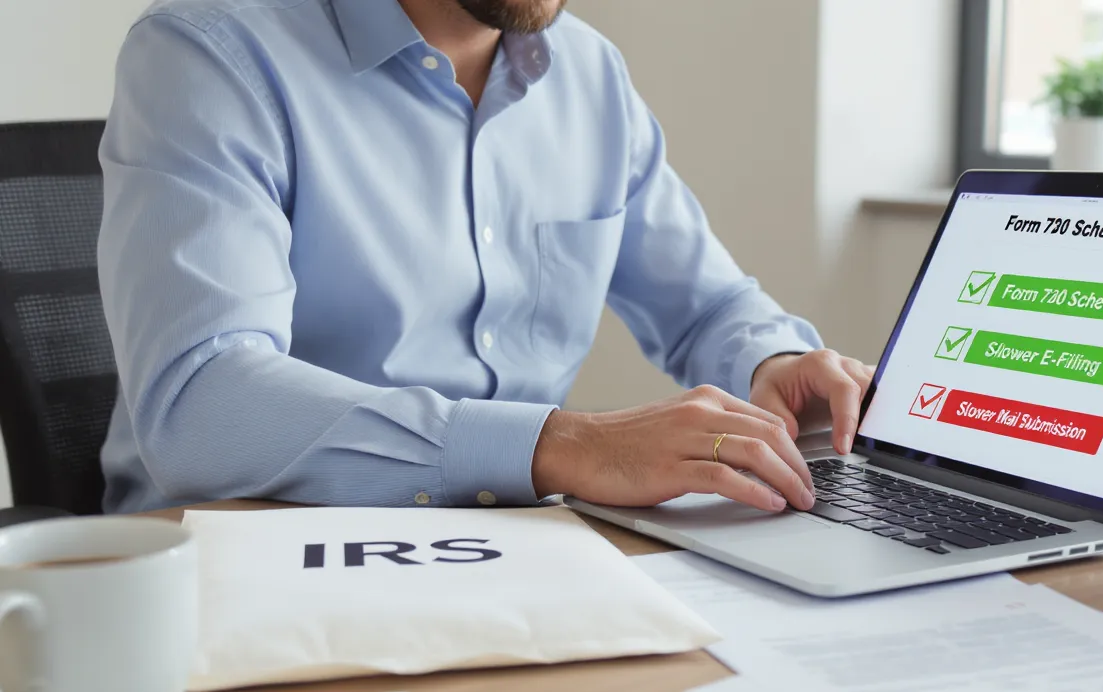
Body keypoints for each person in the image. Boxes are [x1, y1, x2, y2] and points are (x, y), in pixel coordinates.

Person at [97, 0, 873, 514]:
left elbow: (706, 304)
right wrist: (557, 445)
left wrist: (773, 361)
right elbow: (199, 403)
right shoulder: (209, 54)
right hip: (245, 559)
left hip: (508, 553)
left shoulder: (589, 74)